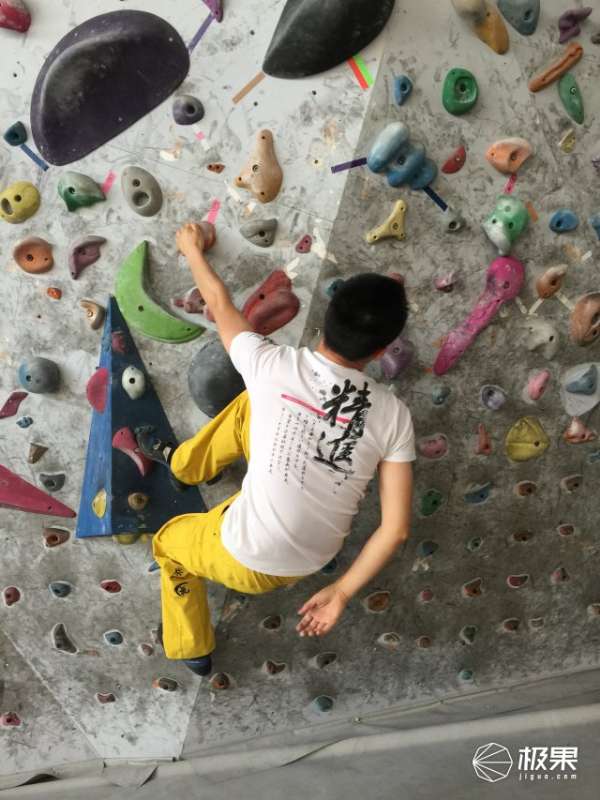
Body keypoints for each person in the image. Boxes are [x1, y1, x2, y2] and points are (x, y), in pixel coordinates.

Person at [138, 222, 415, 676]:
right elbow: (396, 529)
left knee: (169, 544)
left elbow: (219, 303)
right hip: (311, 557)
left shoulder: (271, 363)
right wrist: (342, 591)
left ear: (326, 316)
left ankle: (191, 645)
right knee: (251, 404)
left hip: (246, 557)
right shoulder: (395, 415)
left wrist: (191, 249)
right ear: (383, 348)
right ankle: (185, 466)